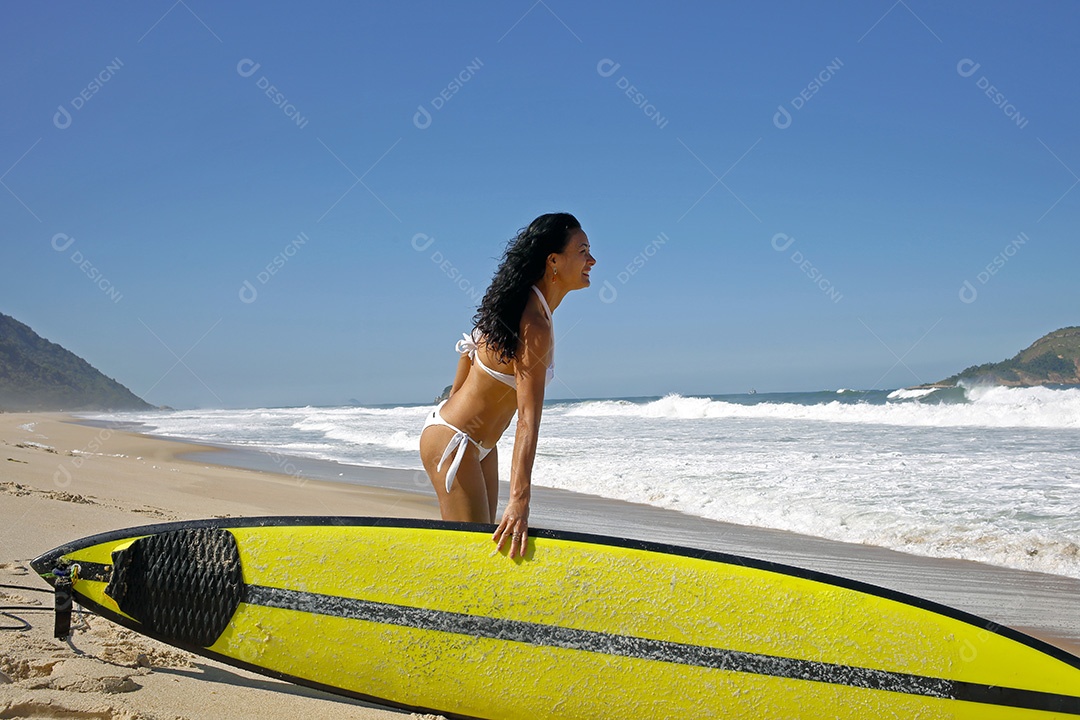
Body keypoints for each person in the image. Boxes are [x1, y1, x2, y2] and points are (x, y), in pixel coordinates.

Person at [419, 213, 596, 559]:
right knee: (469, 559)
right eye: (583, 251)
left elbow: (469, 353)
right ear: (554, 262)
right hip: (456, 443)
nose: (592, 260)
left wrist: (455, 403)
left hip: (476, 445)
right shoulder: (534, 323)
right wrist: (519, 502)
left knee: (483, 553)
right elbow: (528, 420)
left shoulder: (523, 305)